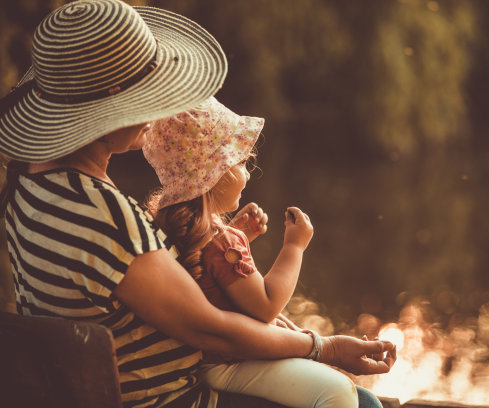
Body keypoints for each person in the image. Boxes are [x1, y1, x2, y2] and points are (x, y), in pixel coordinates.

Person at [0, 1, 396, 408]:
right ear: (108, 107)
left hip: (84, 390)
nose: (156, 112)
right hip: (169, 398)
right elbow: (213, 331)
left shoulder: (29, 181)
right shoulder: (103, 215)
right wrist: (323, 347)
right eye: (145, 97)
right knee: (355, 401)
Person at [143, 96, 360, 408]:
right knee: (339, 391)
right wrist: (294, 246)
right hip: (233, 362)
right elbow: (266, 306)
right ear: (214, 175)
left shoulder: (166, 225)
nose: (247, 172)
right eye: (240, 163)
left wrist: (241, 238)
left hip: (204, 361)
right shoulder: (223, 242)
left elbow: (206, 279)